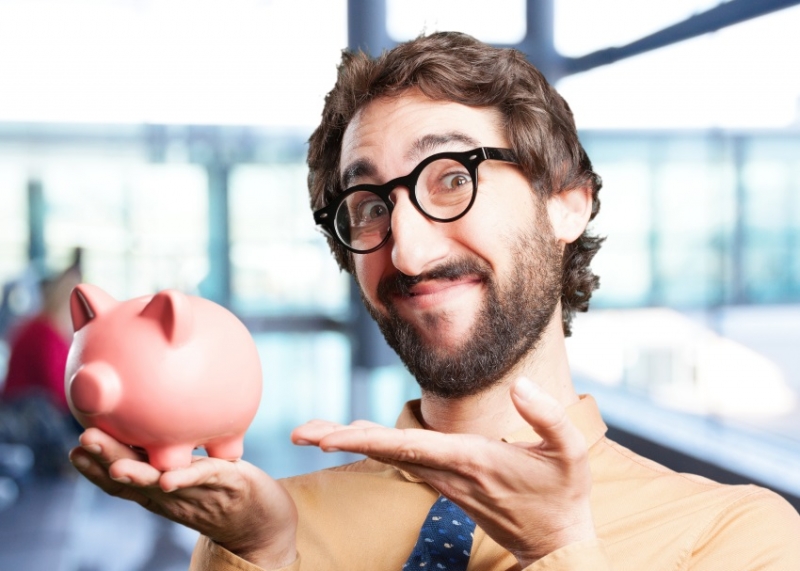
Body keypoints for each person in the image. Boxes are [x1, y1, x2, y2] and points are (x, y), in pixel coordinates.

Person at [68, 32, 800, 570]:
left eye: (452, 177)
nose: (409, 252)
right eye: (368, 204)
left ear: (566, 204)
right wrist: (265, 552)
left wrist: (559, 548)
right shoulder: (263, 529)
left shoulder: (738, 536)